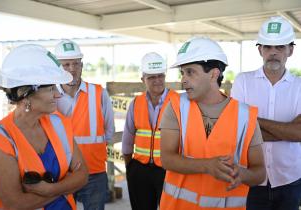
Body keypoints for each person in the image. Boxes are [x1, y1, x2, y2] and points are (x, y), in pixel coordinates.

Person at [159, 37, 266, 210]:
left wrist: (243, 174)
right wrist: (207, 166)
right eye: (182, 73)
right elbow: (167, 159)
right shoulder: (176, 106)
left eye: (190, 72)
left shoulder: (245, 116)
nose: (183, 80)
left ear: (214, 74)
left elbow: (260, 172)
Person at [0, 44, 88, 209]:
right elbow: (16, 204)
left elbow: (82, 175)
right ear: (25, 95)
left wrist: (49, 189)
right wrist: (67, 184)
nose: (57, 93)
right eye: (50, 88)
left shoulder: (59, 123)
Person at [231, 16, 301, 210]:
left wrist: (252, 118)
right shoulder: (243, 81)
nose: (273, 53)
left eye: (279, 47)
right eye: (268, 47)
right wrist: (287, 131)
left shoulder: (300, 87)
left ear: (291, 50)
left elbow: (300, 134)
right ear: (260, 49)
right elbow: (237, 129)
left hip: (290, 180)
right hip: (253, 179)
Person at [55, 39, 115, 210]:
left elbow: (109, 131)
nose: (72, 69)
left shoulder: (98, 93)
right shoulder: (48, 96)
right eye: (66, 65)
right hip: (61, 173)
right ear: (57, 67)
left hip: (93, 172)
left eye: (76, 64)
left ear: (82, 64)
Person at [122, 52, 178, 210]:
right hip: (140, 170)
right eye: (151, 77)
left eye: (160, 75)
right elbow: (128, 137)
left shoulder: (178, 102)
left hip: (169, 170)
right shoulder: (136, 103)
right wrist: (130, 167)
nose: (157, 81)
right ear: (143, 80)